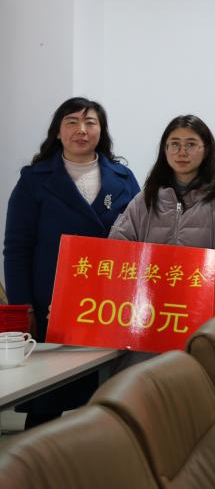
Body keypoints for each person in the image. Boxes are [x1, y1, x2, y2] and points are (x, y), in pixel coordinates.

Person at [3, 98, 140, 427]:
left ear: (101, 131)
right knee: (47, 397)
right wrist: (24, 308)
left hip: (108, 303)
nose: (82, 130)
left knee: (107, 397)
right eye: (72, 122)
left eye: (90, 122)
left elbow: (139, 241)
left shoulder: (123, 178)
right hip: (51, 304)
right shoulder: (34, 179)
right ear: (58, 132)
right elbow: (17, 249)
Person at [110, 115, 215, 247]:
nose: (182, 152)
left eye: (190, 144)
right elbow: (118, 246)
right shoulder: (145, 200)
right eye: (175, 144)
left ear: (206, 150)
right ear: (165, 149)